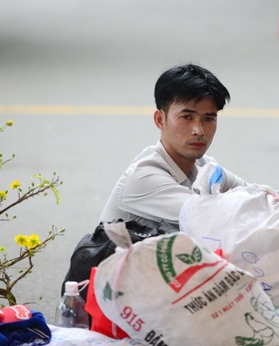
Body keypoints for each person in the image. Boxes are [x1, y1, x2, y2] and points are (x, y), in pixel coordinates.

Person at [99, 63, 247, 230]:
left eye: (208, 119)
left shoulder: (205, 167)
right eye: (186, 117)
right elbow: (211, 217)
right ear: (160, 120)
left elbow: (257, 197)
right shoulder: (144, 177)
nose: (198, 130)